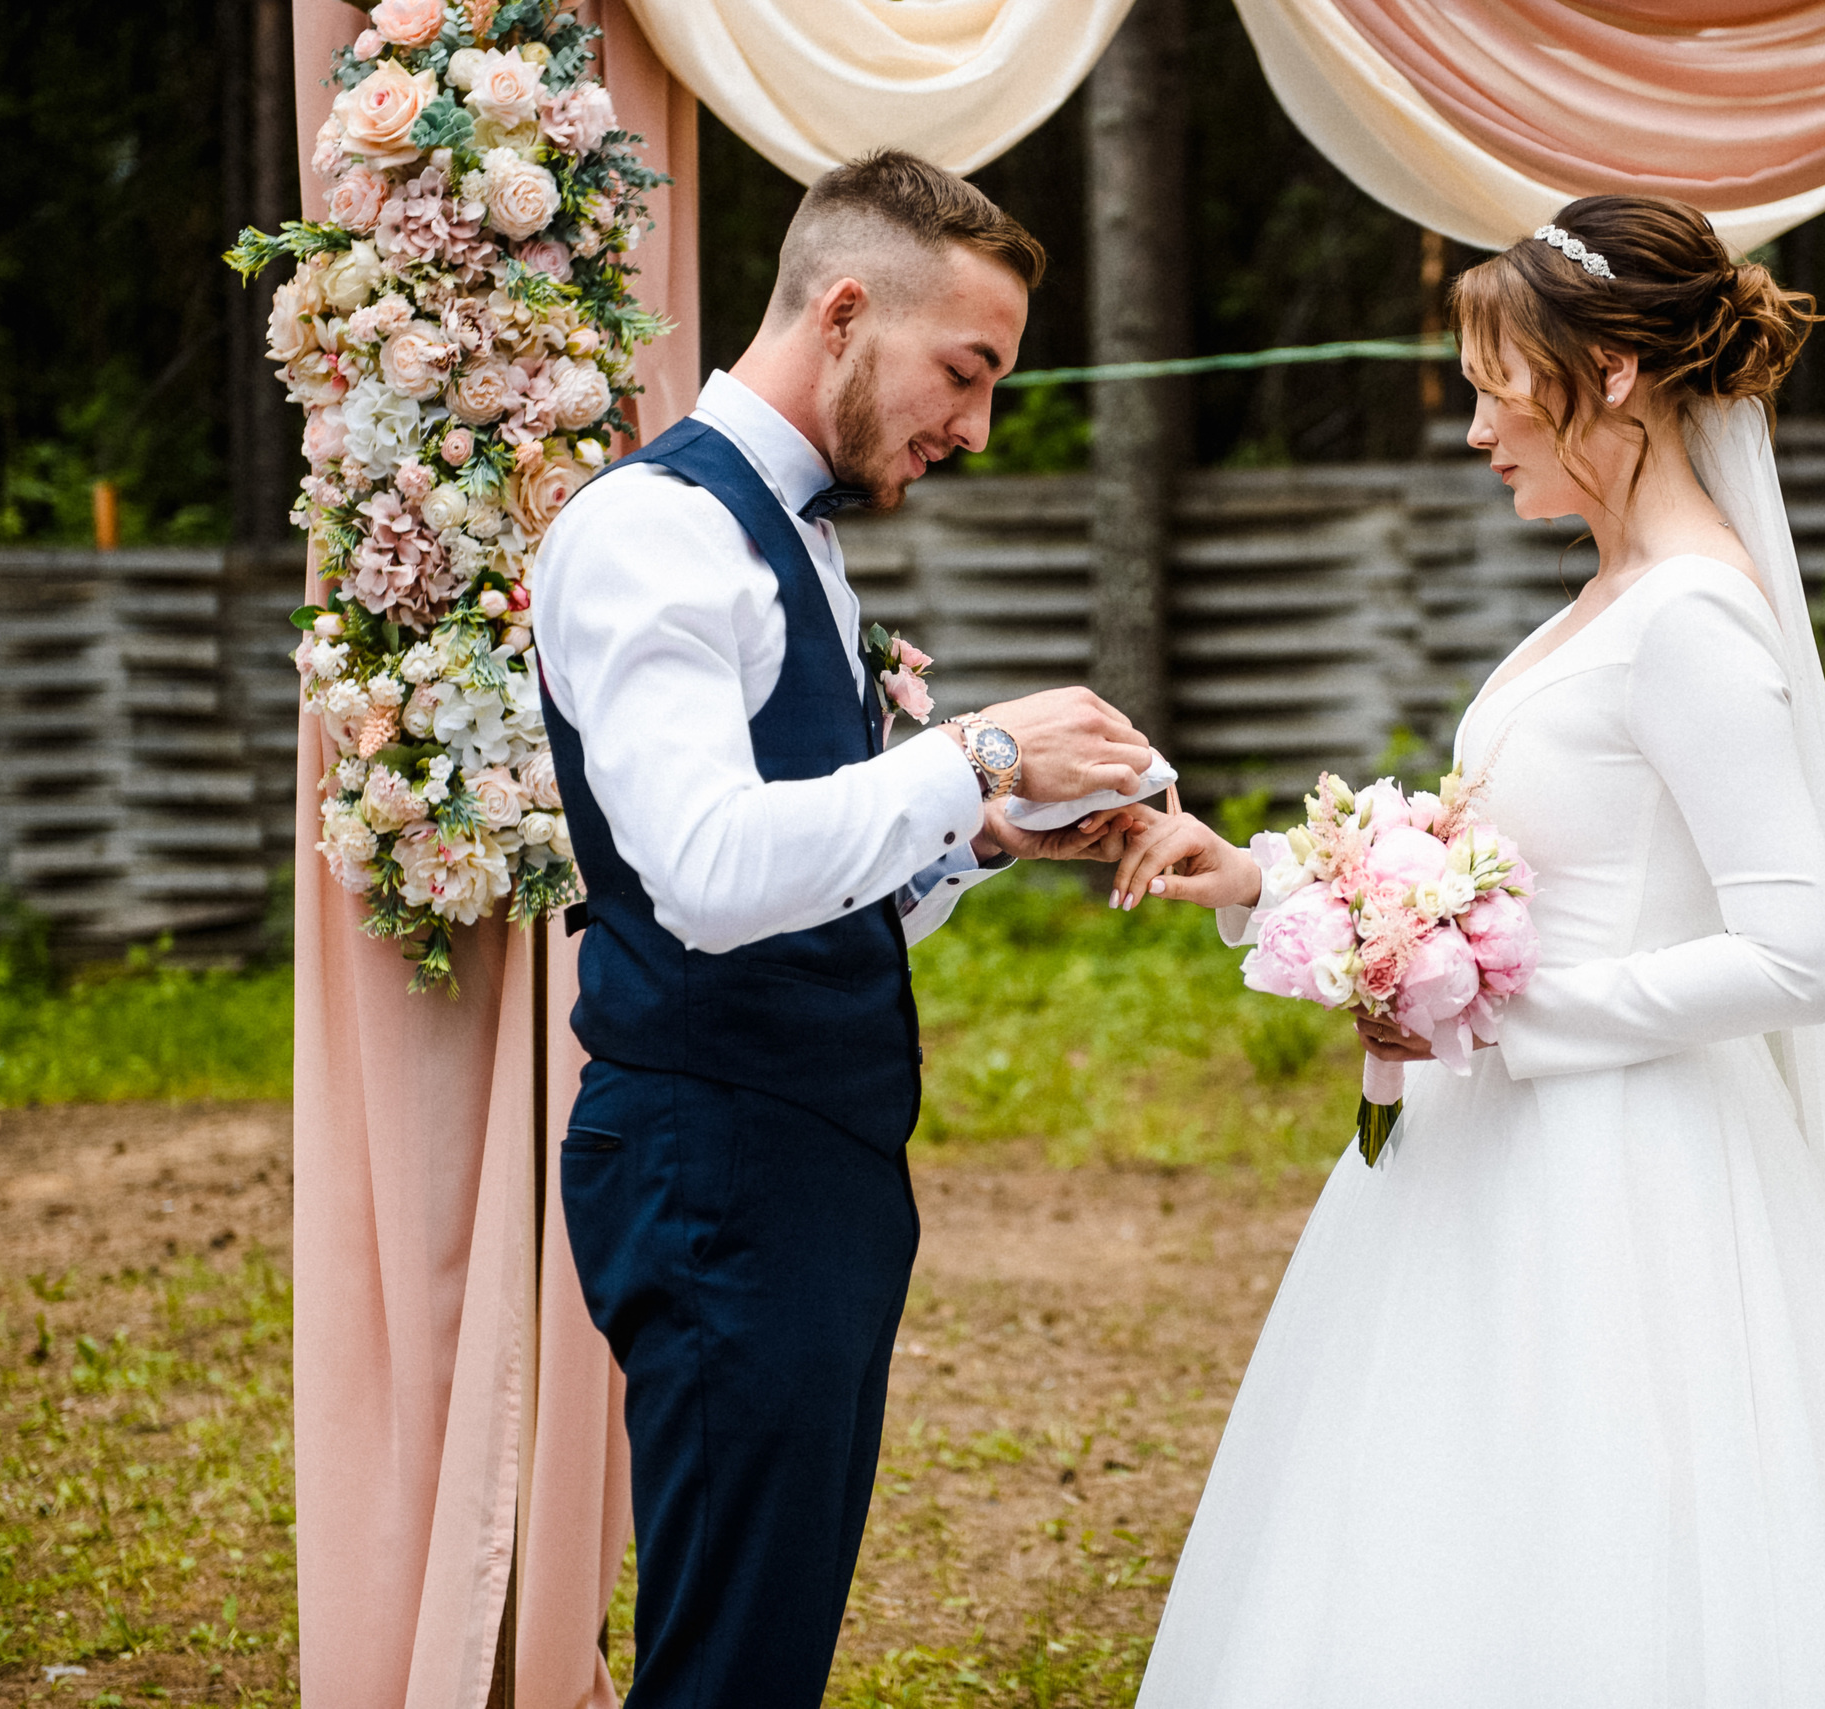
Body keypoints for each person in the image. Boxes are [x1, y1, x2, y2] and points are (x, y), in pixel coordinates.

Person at [1110, 196, 1825, 1706]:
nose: (1478, 423)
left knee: (1622, 1531)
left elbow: (1798, 955)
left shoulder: (1693, 620)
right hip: (1494, 1157)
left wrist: (1505, 1016)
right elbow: (1515, 861)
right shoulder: (1606, 597)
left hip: (1634, 1172)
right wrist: (1270, 871)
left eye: (1497, 379)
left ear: (1610, 370)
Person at [530, 150, 1152, 1709]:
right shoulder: (658, 530)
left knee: (767, 1635)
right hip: (716, 1161)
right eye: (968, 369)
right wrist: (974, 755)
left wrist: (984, 835)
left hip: (801, 1159)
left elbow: (807, 895)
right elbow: (711, 875)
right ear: (848, 308)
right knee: (730, 1660)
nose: (976, 424)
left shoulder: (791, 531)